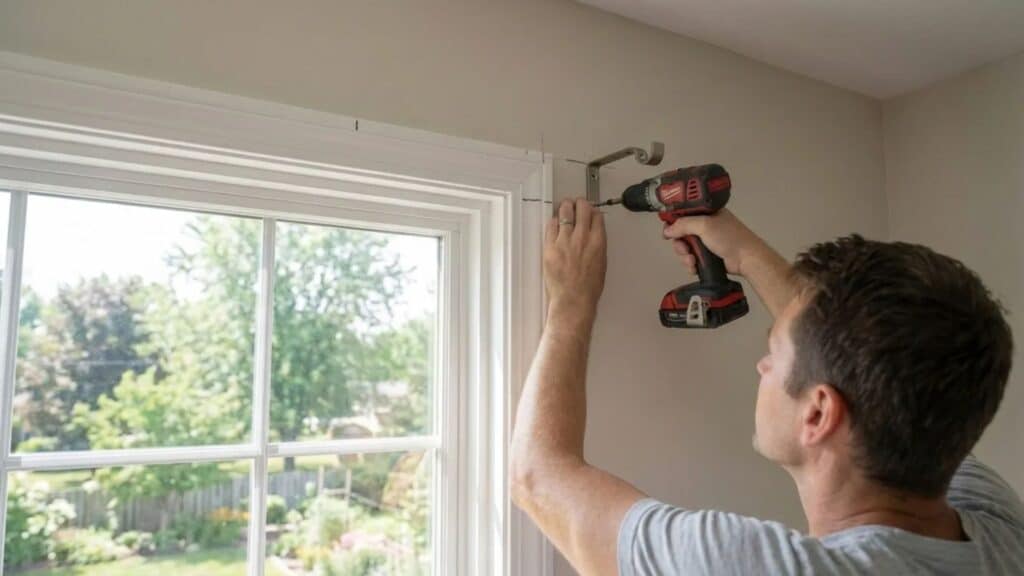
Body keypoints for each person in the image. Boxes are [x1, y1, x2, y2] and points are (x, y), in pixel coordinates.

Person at [510, 198, 1022, 575]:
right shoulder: (1002, 534)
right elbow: (874, 361)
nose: (761, 366)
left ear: (819, 414)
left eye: (773, 352)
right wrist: (747, 255)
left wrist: (571, 302)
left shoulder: (753, 565)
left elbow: (537, 475)